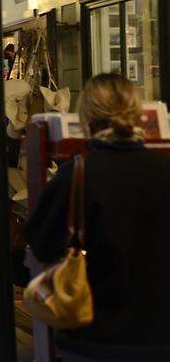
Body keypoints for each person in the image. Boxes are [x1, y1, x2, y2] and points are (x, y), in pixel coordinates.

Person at [24, 73, 170, 362]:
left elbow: (41, 244)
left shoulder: (77, 174)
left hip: (93, 338)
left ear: (87, 118)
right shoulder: (164, 170)